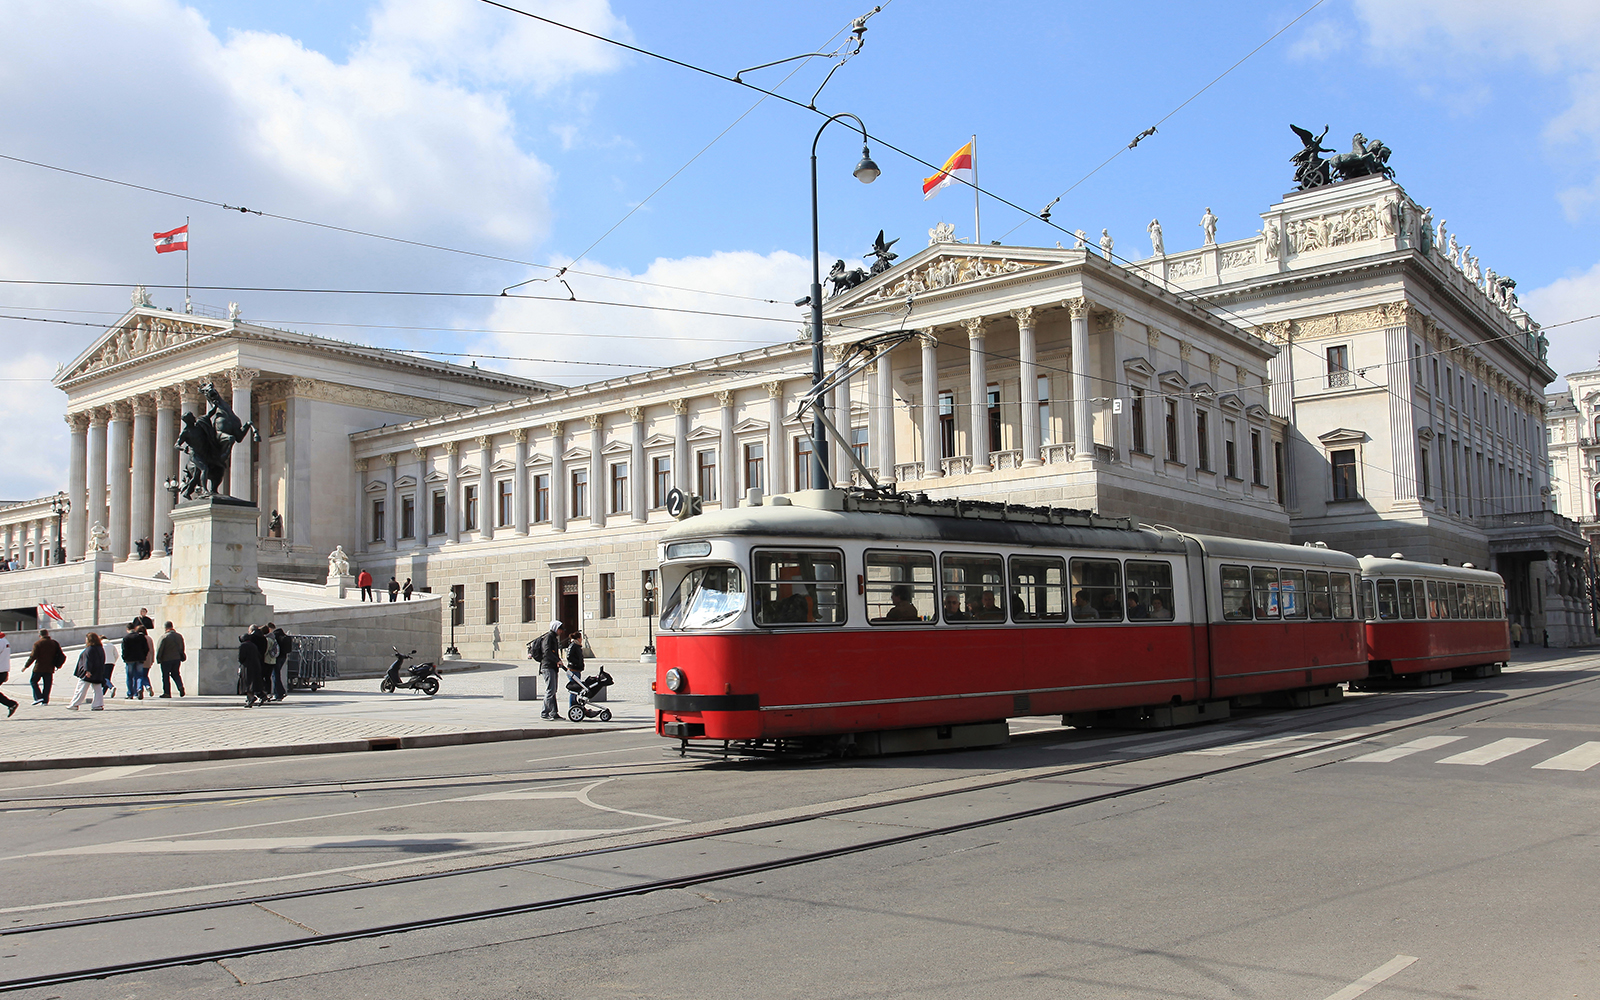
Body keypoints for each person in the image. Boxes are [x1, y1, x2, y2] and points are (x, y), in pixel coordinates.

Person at [67, 633, 109, 710]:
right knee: (97, 689)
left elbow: (87, 661)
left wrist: (87, 670)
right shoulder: (100, 648)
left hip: (88, 672)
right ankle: (98, 704)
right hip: (98, 671)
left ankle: (74, 704)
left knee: (81, 689)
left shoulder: (89, 649)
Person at [538, 619, 568, 721]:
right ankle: (545, 712)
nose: (561, 632)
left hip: (552, 667)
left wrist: (558, 661)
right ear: (555, 628)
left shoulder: (553, 638)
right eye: (560, 629)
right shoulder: (548, 638)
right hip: (547, 667)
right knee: (550, 690)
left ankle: (554, 713)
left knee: (553, 690)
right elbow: (547, 652)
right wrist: (557, 660)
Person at [25, 629, 65, 705]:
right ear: (47, 634)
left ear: (40, 635)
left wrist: (26, 666)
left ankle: (38, 697)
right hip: (50, 667)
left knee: (33, 681)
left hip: (39, 667)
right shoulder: (54, 643)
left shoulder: (38, 643)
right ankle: (45, 700)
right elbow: (60, 655)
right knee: (47, 684)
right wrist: (58, 665)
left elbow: (33, 656)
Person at [239, 626, 268, 707]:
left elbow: (241, 658)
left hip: (247, 667)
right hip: (257, 664)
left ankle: (251, 698)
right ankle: (259, 696)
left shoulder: (244, 645)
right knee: (255, 683)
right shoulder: (255, 644)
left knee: (248, 683)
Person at [120, 623, 151, 700]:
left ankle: (130, 693)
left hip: (129, 659)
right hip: (140, 659)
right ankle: (139, 689)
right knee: (139, 675)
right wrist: (143, 656)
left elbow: (124, 650)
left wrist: (125, 658)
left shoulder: (126, 638)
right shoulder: (141, 637)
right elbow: (146, 648)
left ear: (127, 629)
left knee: (129, 677)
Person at [156, 622, 186, 697]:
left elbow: (160, 649)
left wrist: (158, 658)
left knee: (165, 676)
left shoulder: (164, 637)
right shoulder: (179, 636)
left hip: (166, 659)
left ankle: (167, 693)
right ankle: (180, 686)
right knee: (176, 674)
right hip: (177, 658)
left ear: (166, 628)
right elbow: (182, 647)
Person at [566, 630, 586, 712]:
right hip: (573, 670)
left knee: (576, 688)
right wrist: (577, 662)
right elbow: (569, 656)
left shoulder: (577, 645)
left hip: (577, 670)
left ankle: (574, 703)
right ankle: (572, 706)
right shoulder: (573, 645)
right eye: (581, 637)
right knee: (574, 689)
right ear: (578, 638)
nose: (582, 639)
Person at [0, 630, 16, 718]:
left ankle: (11, 704)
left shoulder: (0, 642)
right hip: (3, 670)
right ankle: (11, 704)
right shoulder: (5, 641)